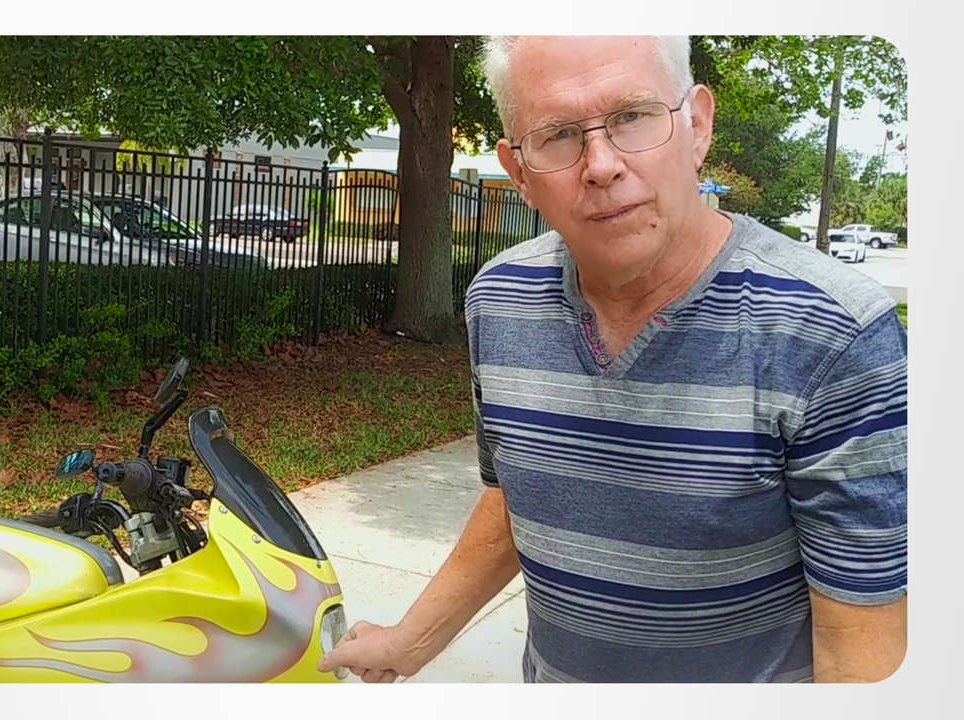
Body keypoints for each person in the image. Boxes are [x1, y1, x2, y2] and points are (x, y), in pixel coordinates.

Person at [318, 35, 906, 683]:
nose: (601, 165)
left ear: (697, 125)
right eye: (558, 134)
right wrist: (409, 643)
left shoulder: (833, 332)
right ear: (519, 172)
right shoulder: (499, 300)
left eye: (632, 116)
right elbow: (518, 499)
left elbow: (859, 645)